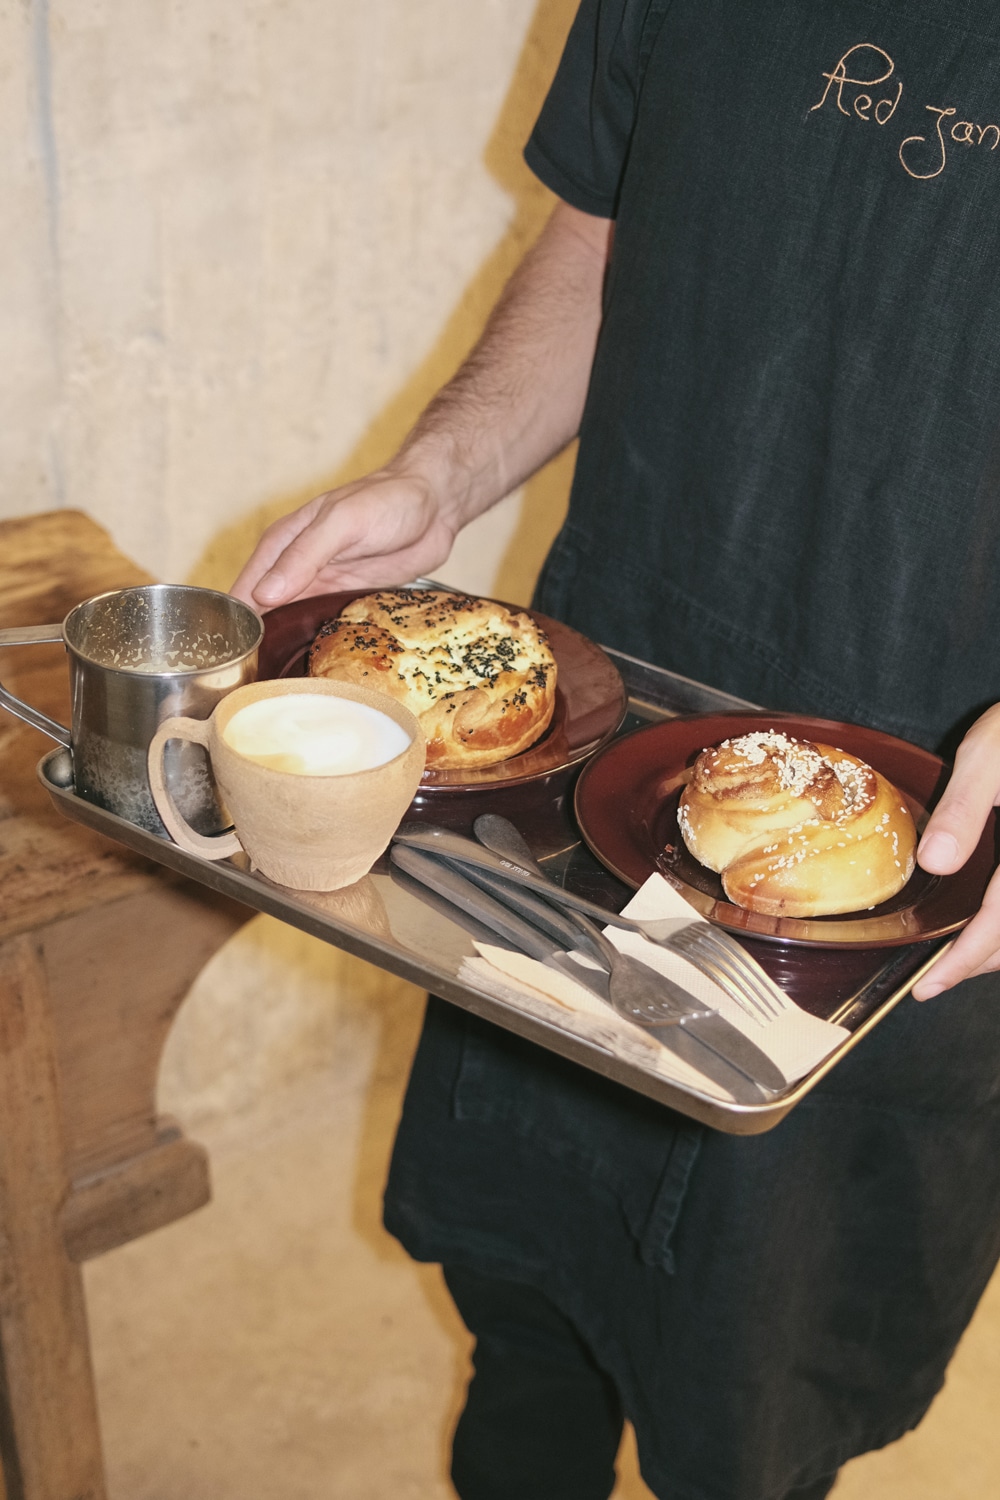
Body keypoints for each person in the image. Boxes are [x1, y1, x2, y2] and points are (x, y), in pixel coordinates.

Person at [232, 4, 1000, 1496]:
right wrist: (442, 471)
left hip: (909, 836)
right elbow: (600, 233)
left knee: (756, 1391)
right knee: (525, 1296)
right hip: (592, 751)